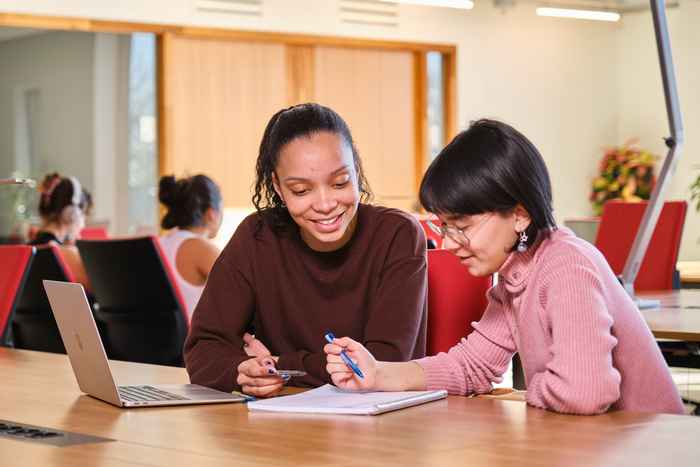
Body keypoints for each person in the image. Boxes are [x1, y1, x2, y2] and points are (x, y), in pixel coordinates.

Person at [324, 119, 685, 415]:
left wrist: (525, 393)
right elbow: (472, 366)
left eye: (461, 227)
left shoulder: (566, 267)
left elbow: (585, 393)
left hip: (649, 450)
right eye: (443, 227)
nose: (448, 243)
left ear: (519, 214)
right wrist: (377, 373)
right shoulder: (517, 274)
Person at [184, 103, 428, 398]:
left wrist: (282, 364)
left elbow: (382, 364)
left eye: (340, 182)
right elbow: (203, 350)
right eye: (301, 190)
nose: (325, 204)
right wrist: (243, 372)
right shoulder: (256, 237)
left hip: (380, 428)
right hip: (281, 422)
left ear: (356, 170)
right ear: (277, 186)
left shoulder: (397, 234)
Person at [158, 174, 224, 320]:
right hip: (190, 340)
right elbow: (244, 293)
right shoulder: (201, 248)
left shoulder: (161, 243)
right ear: (211, 214)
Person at [30, 173, 92, 290]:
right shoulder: (68, 254)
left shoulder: (27, 249)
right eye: (83, 215)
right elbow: (95, 290)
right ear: (72, 214)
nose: (82, 224)